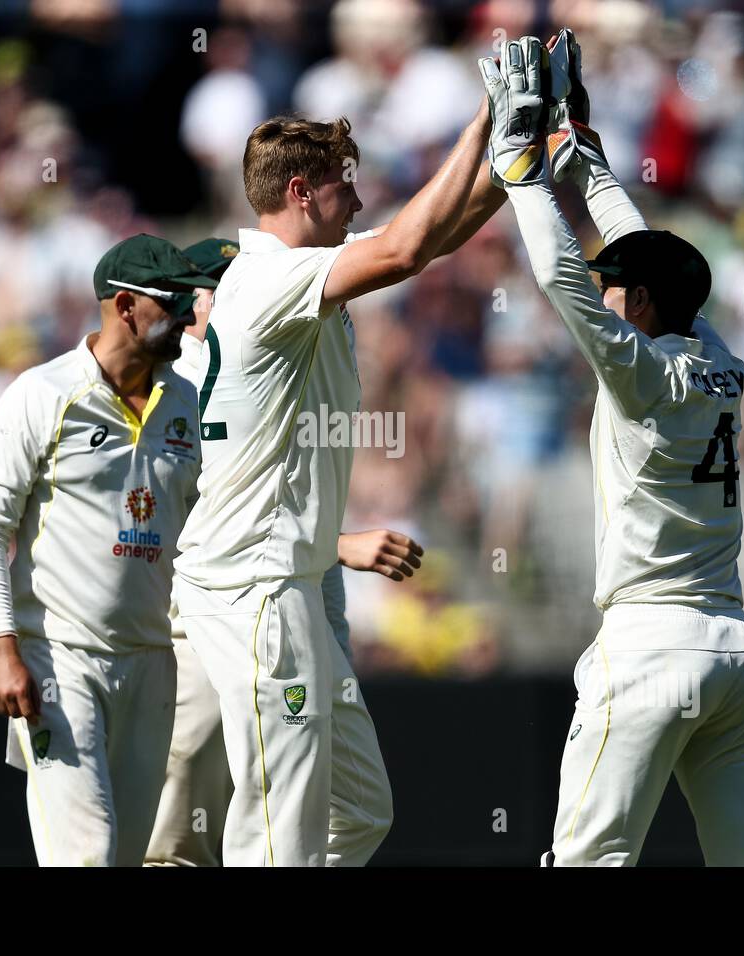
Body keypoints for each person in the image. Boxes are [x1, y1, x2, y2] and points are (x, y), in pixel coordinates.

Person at [170, 37, 531, 865]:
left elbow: (427, 243)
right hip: (258, 588)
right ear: (301, 191)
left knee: (358, 812)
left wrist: (519, 164)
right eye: (345, 183)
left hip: (293, 580)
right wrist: (484, 121)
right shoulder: (267, 277)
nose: (359, 198)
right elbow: (408, 246)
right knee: (279, 834)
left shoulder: (294, 274)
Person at [495, 31, 744, 865]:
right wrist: (585, 162)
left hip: (647, 645)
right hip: (732, 648)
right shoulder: (718, 357)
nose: (606, 288)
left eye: (618, 285)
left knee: (587, 861)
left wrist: (520, 167)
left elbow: (561, 278)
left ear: (645, 302)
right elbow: (641, 255)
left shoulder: (641, 373)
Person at [145, 237, 426, 866]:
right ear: (195, 298)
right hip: (205, 615)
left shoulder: (276, 356)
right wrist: (342, 544)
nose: (241, 290)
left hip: (287, 593)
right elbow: (194, 512)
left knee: (344, 810)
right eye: (224, 283)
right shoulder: (178, 382)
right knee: (179, 838)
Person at [0, 234, 216, 866]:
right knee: (87, 854)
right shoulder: (43, 394)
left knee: (125, 859)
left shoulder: (185, 401)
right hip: (58, 660)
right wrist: (0, 649)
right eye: (172, 304)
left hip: (153, 663)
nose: (188, 317)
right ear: (125, 306)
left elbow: (212, 525)